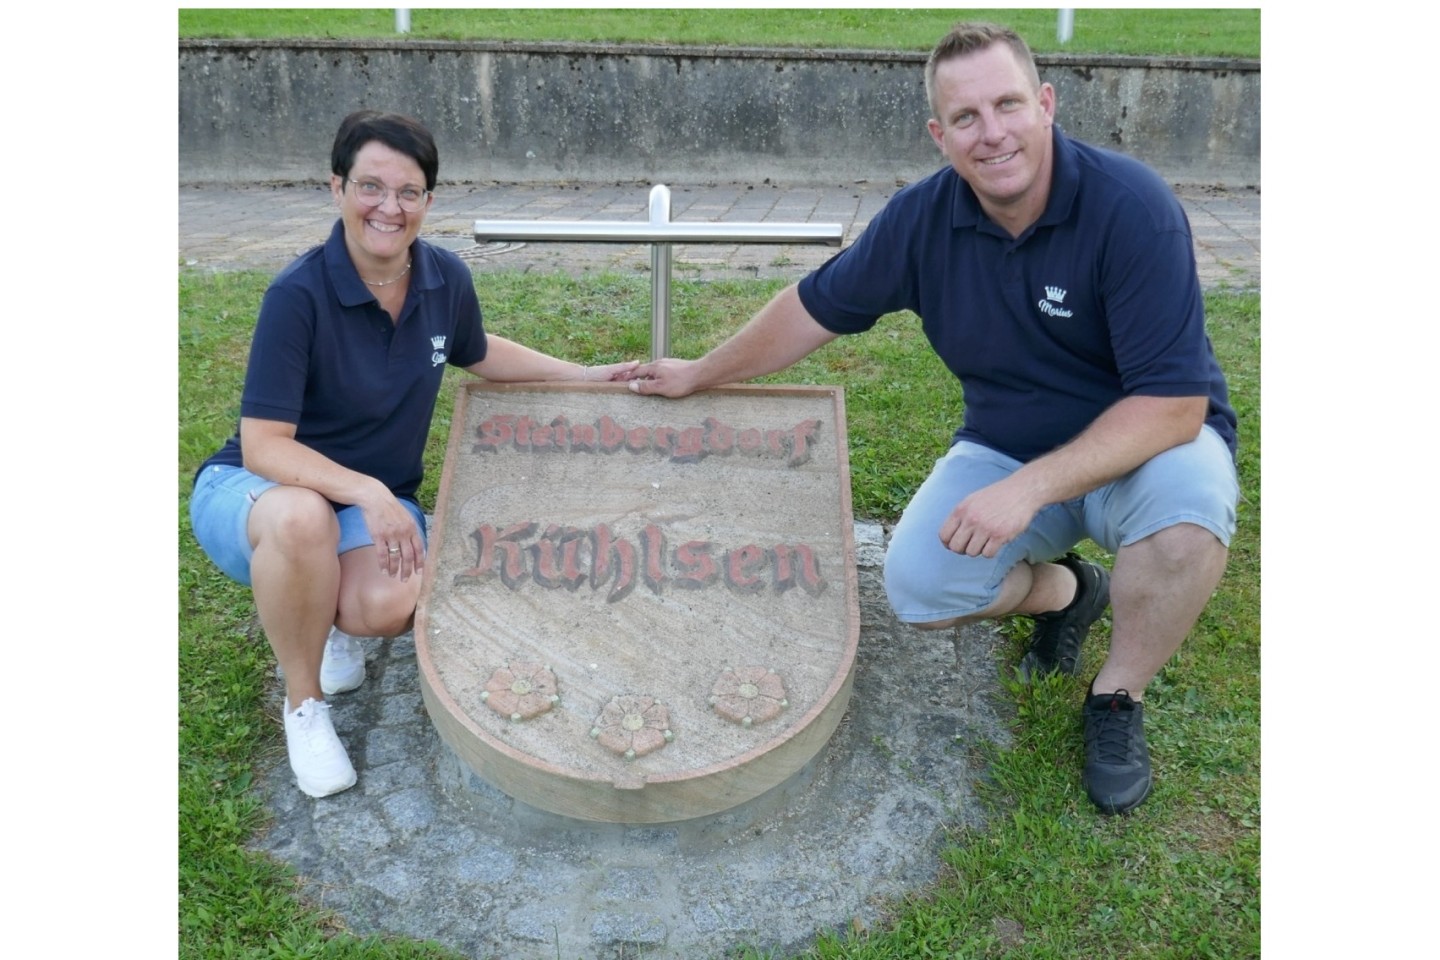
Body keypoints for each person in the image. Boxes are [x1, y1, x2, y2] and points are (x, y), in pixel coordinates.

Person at [625, 23, 1239, 815]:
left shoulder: (1131, 208)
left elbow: (1174, 405)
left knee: (1188, 524)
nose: (993, 134)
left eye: (1008, 105)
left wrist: (1028, 490)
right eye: (966, 118)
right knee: (920, 587)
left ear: (1046, 104)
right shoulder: (922, 219)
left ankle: (1118, 696)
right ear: (938, 134)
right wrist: (700, 373)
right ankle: (1066, 595)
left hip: (1150, 446)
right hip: (1006, 445)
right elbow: (813, 310)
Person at [190, 111, 637, 798]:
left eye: (409, 192)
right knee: (303, 519)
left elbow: (479, 352)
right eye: (371, 186)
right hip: (256, 491)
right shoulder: (298, 295)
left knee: (387, 606)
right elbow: (264, 445)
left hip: (359, 502)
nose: (388, 208)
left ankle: (322, 614)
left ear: (429, 200)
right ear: (337, 187)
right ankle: (303, 704)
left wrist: (582, 376)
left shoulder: (442, 279)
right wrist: (370, 493)